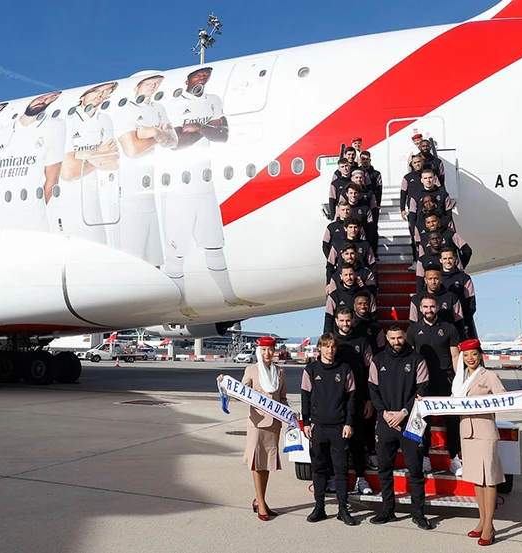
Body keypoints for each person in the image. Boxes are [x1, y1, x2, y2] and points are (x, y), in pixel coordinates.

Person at [159, 67, 257, 316]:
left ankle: (229, 296)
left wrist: (198, 128)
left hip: (205, 184)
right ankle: (180, 303)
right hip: (178, 186)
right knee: (177, 250)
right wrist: (203, 129)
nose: (202, 78)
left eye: (206, 76)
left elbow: (223, 135)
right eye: (197, 76)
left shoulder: (214, 101)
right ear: (187, 80)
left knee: (214, 244)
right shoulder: (173, 104)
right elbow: (175, 142)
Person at [367, 325, 432, 529]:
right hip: (386, 421)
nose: (397, 341)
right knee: (385, 469)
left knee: (415, 469)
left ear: (405, 337)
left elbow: (423, 389)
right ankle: (388, 510)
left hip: (410, 421)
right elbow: (373, 389)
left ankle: (418, 513)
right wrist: (385, 413)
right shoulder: (377, 361)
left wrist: (403, 412)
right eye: (393, 338)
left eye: (400, 338)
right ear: (387, 338)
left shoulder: (417, 359)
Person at [0, 92, 66, 232]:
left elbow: (52, 180)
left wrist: (34, 212)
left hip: (36, 228)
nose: (44, 100)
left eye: (50, 98)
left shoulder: (54, 127)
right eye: (41, 97)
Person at [217, 337, 287, 521]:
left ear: (274, 351)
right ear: (259, 351)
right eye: (264, 350)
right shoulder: (251, 370)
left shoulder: (280, 372)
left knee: (267, 464)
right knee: (257, 463)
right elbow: (240, 392)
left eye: (270, 350)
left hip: (274, 424)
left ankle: (259, 499)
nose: (267, 353)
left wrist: (290, 416)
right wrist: (225, 384)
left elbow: (283, 398)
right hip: (257, 424)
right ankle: (262, 503)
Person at [452, 339, 513, 546]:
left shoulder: (490, 376)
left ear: (480, 356)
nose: (470, 359)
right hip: (467, 433)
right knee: (478, 479)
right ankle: (482, 521)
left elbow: (504, 400)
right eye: (466, 355)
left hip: (485, 432)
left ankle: (489, 525)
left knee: (489, 479)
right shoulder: (460, 379)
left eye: (474, 354)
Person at [113, 75, 176, 264]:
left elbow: (173, 141)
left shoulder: (159, 109)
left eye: (157, 83)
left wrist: (154, 132)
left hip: (150, 195)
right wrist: (159, 135)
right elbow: (132, 150)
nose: (154, 86)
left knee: (155, 259)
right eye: (149, 83)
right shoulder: (125, 111)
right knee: (134, 257)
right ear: (138, 86)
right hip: (131, 194)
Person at [302, 334, 359, 526]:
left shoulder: (345, 370)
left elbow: (352, 399)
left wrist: (349, 423)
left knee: (341, 470)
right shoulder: (310, 370)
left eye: (333, 347)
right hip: (318, 427)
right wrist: (307, 422)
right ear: (319, 348)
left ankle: (343, 509)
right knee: (318, 469)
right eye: (326, 347)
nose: (330, 350)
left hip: (339, 427)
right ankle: (319, 507)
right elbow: (305, 398)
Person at [59, 83, 119, 244]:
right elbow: (68, 172)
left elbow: (113, 163)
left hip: (94, 203)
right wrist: (99, 154)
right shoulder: (67, 123)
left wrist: (81, 155)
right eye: (96, 90)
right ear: (83, 95)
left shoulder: (106, 120)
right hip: (69, 203)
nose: (100, 94)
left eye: (105, 91)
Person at [408, 295, 463, 469]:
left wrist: (458, 381)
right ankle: (425, 457)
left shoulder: (449, 329)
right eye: (425, 307)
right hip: (423, 381)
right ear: (420, 309)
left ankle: (454, 457)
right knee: (424, 420)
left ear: (437, 307)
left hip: (445, 380)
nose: (429, 310)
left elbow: (455, 356)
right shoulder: (413, 330)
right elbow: (409, 357)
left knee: (452, 421)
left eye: (432, 306)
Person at [332, 308, 376, 496]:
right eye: (341, 320)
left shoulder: (362, 342)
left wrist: (368, 399)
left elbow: (370, 373)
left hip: (358, 399)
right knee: (337, 442)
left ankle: (361, 478)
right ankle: (335, 477)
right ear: (336, 321)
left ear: (352, 320)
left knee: (358, 441)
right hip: (335, 401)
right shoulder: (331, 342)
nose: (345, 324)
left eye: (348, 320)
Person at [409, 269, 465, 337]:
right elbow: (413, 322)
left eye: (436, 278)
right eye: (430, 279)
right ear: (425, 280)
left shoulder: (452, 297)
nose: (433, 282)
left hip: (447, 339)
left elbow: (459, 322)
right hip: (423, 339)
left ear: (441, 279)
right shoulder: (416, 299)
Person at [441, 249, 478, 340]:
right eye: (445, 258)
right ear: (440, 260)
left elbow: (471, 303)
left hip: (460, 322)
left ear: (455, 259)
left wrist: (465, 323)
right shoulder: (436, 278)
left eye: (450, 258)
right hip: (441, 323)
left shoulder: (464, 278)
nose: (447, 261)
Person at [325, 265, 372, 333]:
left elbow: (373, 314)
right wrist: (328, 335)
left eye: (351, 274)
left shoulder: (365, 293)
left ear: (355, 274)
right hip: (341, 336)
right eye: (346, 275)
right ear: (341, 276)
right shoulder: (334, 295)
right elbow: (329, 317)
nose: (348, 277)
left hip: (362, 334)